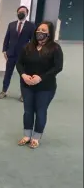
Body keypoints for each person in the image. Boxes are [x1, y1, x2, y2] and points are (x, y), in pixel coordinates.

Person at [16, 21, 63, 149]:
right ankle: (26, 135)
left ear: (49, 33)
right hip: (27, 85)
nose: (40, 32)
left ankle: (36, 137)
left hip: (45, 87)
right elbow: (19, 63)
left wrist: (41, 78)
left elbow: (58, 67)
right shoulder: (28, 47)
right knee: (28, 111)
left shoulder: (55, 48)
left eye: (43, 30)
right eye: (38, 30)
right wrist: (23, 75)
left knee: (40, 111)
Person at [0, 6, 35, 101]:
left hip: (24, 55)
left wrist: (31, 53)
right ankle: (4, 91)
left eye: (23, 12)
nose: (21, 13)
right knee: (8, 74)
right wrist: (4, 50)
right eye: (19, 11)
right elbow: (7, 38)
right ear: (17, 13)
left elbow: (33, 41)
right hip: (11, 54)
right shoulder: (11, 25)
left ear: (27, 14)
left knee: (23, 75)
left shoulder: (31, 26)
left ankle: (23, 94)